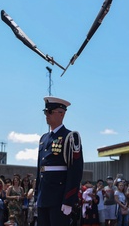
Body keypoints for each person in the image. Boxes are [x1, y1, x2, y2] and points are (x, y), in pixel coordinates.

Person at [35, 96, 84, 226]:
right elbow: (40, 170)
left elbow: (75, 171)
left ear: (61, 114)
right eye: (46, 112)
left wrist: (68, 200)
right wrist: (36, 197)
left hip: (59, 198)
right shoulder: (44, 138)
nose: (47, 115)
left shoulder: (71, 137)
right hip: (43, 196)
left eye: (50, 112)